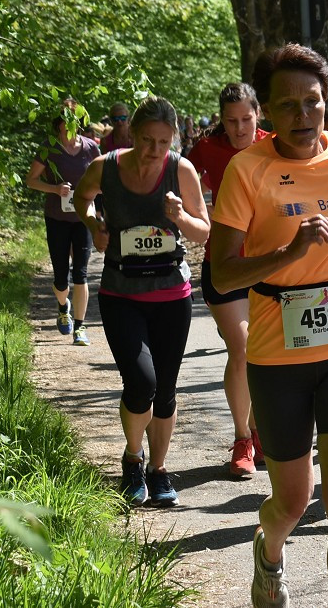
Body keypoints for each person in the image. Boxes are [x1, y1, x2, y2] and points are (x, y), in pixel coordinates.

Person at [209, 43, 328, 608]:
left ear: (326, 101)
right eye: (287, 105)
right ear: (266, 111)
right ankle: (269, 547)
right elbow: (221, 271)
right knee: (292, 502)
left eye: (312, 102)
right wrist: (289, 252)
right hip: (277, 349)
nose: (302, 115)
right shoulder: (249, 170)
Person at [73, 96, 211, 509]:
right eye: (148, 140)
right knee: (141, 382)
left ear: (173, 140)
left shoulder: (179, 169)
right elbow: (81, 198)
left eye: (164, 142)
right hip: (122, 293)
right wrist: (94, 223)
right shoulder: (107, 167)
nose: (155, 150)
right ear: (132, 134)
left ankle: (159, 469)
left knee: (165, 390)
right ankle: (133, 458)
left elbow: (204, 231)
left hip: (172, 295)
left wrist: (179, 217)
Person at [187, 83, 270, 478]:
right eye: (231, 121)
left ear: (259, 114)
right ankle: (242, 439)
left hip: (271, 263)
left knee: (263, 352)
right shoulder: (207, 150)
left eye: (246, 120)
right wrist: (195, 215)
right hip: (224, 263)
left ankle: (259, 432)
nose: (239, 129)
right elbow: (180, 179)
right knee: (242, 346)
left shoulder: (275, 145)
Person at [25, 101, 102, 346]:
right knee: (61, 277)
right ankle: (62, 306)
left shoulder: (91, 148)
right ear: (58, 124)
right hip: (57, 218)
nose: (70, 126)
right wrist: (55, 189)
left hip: (83, 217)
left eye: (74, 120)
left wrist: (95, 201)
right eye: (65, 120)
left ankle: (79, 328)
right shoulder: (48, 148)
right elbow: (31, 180)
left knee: (80, 274)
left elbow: (103, 179)